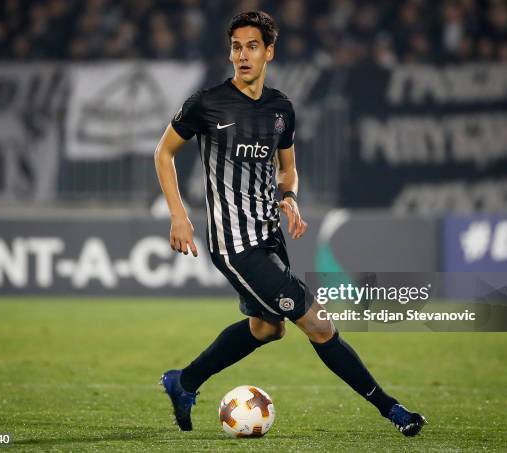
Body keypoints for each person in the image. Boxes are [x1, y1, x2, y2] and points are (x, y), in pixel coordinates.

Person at [154, 10, 426, 437]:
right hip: (234, 242)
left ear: (269, 52)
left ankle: (183, 381)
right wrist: (178, 215)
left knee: (268, 328)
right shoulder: (207, 104)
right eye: (236, 47)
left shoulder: (281, 109)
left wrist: (290, 197)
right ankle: (393, 410)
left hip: (269, 235)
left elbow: (288, 169)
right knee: (318, 324)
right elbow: (164, 153)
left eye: (253, 46)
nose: (243, 55)